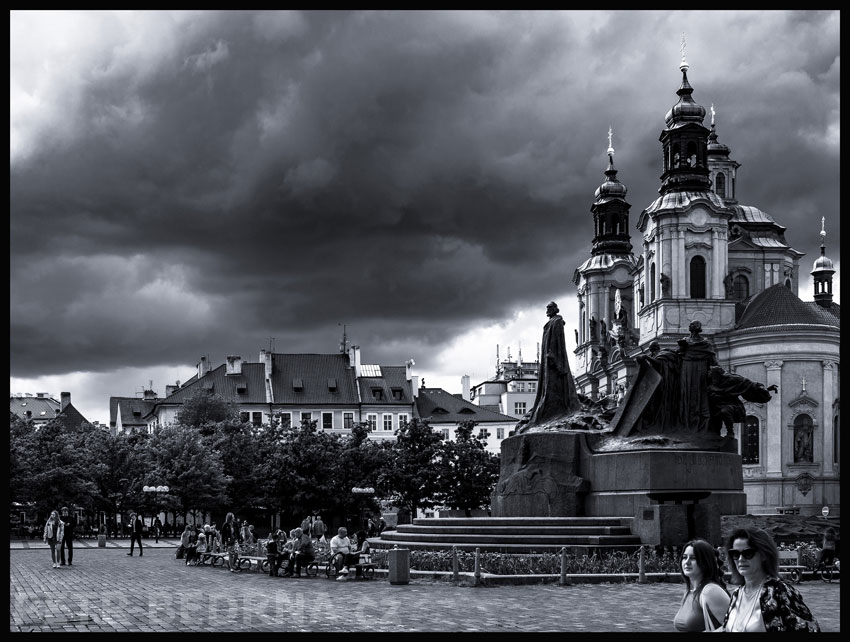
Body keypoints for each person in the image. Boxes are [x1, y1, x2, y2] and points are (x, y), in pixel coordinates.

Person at [718, 527, 820, 632]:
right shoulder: (737, 594)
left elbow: (811, 628)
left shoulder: (780, 592)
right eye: (735, 554)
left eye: (748, 553)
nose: (740, 559)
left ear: (764, 555)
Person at [520, 301, 580, 431]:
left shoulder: (557, 321)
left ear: (554, 309)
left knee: (552, 385)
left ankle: (555, 410)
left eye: (549, 307)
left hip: (552, 357)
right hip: (548, 358)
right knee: (547, 385)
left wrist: (553, 355)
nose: (547, 310)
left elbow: (557, 340)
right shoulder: (552, 322)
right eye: (547, 307)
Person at [673, 539, 730, 631]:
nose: (687, 562)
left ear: (706, 562)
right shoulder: (690, 591)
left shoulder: (710, 591)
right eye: (684, 557)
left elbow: (735, 627)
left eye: (693, 558)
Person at [707, 366, 778, 437]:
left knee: (725, 411)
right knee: (712, 417)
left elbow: (751, 385)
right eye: (712, 377)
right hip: (715, 404)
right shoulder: (710, 384)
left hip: (730, 403)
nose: (713, 379)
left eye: (714, 376)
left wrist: (767, 389)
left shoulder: (733, 379)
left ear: (719, 375)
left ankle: (730, 432)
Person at [679, 320, 718, 433]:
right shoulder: (685, 341)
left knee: (701, 395)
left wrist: (715, 372)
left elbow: (712, 359)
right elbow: (679, 355)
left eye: (692, 325)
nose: (689, 326)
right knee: (686, 394)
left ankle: (701, 425)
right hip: (686, 368)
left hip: (701, 369)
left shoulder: (705, 343)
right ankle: (686, 423)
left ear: (697, 327)